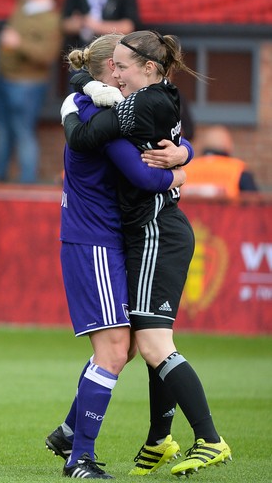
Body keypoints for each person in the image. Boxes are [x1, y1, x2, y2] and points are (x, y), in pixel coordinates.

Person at [61, 30, 233, 477]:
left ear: (146, 69)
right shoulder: (115, 103)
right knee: (132, 345)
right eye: (112, 67)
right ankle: (138, 441)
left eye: (123, 67)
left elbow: (141, 147)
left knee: (143, 343)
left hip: (152, 231)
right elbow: (137, 160)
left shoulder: (136, 103)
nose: (117, 74)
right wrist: (179, 167)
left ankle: (198, 439)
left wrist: (182, 159)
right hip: (108, 236)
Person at [49, 34, 189, 478]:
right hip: (94, 239)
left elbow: (162, 144)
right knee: (113, 350)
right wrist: (182, 171)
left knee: (125, 347)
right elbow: (144, 177)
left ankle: (71, 433)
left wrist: (183, 152)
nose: (128, 73)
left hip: (105, 237)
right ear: (112, 69)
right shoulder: (102, 114)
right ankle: (80, 459)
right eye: (124, 65)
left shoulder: (88, 103)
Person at [0, 0, 62, 184]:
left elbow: (47, 55)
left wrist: (19, 44)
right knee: (2, 129)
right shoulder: (24, 3)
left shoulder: (51, 18)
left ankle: (27, 181)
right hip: (4, 77)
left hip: (27, 85)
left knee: (22, 133)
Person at [181, 125, 259, 199]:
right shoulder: (238, 170)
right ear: (228, 146)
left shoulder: (186, 169)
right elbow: (255, 204)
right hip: (229, 213)